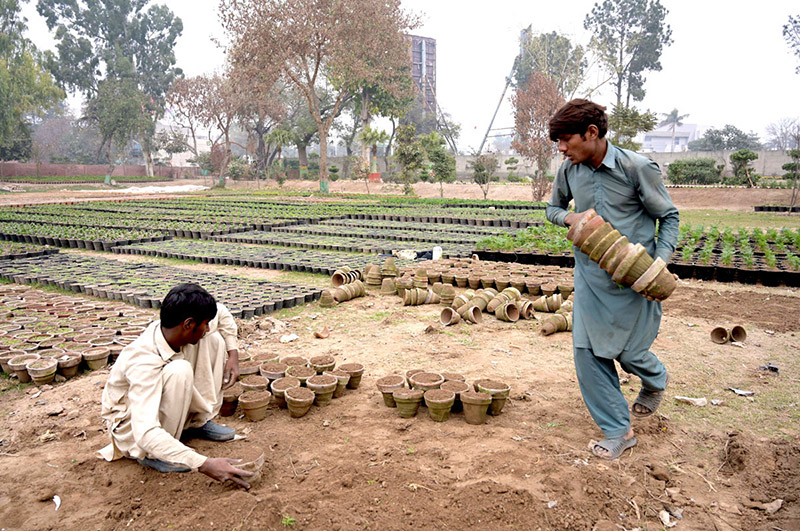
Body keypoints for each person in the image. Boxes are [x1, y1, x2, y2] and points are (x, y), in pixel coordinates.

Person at [545, 99, 679, 460]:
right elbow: (553, 208)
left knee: (629, 352)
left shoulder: (637, 167)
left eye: (565, 140)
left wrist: (659, 264)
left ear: (592, 133)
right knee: (587, 352)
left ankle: (655, 379)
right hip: (590, 276)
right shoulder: (569, 170)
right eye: (556, 142)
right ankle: (619, 430)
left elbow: (668, 216)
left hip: (635, 278)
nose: (561, 149)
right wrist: (566, 219)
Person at [98, 283, 253, 488]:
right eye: (204, 324)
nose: (207, 327)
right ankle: (154, 455)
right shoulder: (143, 361)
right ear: (189, 324)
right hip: (132, 428)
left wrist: (233, 355)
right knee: (179, 370)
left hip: (154, 410)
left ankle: (195, 422)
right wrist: (204, 463)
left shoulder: (173, 330)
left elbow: (221, 312)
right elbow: (145, 432)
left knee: (214, 339)